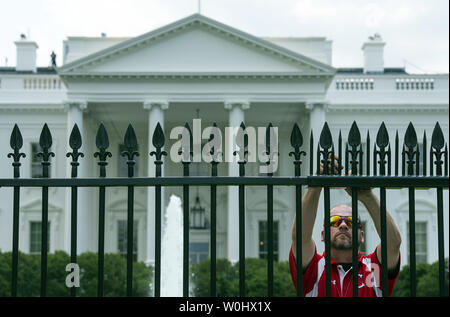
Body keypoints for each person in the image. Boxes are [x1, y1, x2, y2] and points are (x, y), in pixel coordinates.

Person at [289, 157, 402, 297]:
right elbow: (299, 237)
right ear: (323, 235)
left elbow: (393, 243)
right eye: (335, 221)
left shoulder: (372, 269)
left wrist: (367, 196)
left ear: (362, 235)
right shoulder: (316, 268)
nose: (343, 225)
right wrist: (316, 184)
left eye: (351, 222)